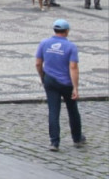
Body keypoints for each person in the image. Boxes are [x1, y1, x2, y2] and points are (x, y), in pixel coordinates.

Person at [35, 18, 85, 151]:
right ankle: (77, 138)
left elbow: (38, 63)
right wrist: (75, 87)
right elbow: (73, 67)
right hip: (66, 83)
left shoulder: (44, 43)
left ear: (54, 30)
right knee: (72, 110)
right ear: (67, 31)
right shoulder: (70, 47)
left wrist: (42, 76)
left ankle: (54, 142)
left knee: (53, 111)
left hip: (50, 80)